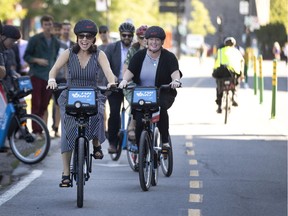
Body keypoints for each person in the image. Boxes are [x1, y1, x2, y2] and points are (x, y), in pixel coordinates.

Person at [46, 19, 116, 187]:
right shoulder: (68, 53)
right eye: (81, 36)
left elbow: (109, 72)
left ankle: (96, 144)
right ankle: (65, 173)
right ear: (77, 37)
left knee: (99, 112)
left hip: (92, 93)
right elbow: (54, 69)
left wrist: (112, 82)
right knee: (67, 132)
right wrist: (52, 80)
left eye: (89, 36)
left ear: (94, 39)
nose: (85, 40)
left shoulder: (100, 54)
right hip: (71, 94)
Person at [118, 25, 182, 151]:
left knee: (161, 109)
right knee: (138, 117)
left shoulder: (169, 57)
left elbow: (175, 73)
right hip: (142, 92)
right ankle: (139, 144)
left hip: (161, 91)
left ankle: (164, 141)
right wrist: (124, 81)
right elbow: (130, 72)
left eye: (157, 40)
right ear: (146, 41)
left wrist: (175, 81)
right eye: (151, 39)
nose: (154, 42)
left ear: (162, 42)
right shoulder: (139, 56)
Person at [24, 15, 60, 139]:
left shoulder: (55, 41)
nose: (48, 26)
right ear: (42, 25)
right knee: (36, 104)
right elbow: (26, 56)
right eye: (45, 24)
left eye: (50, 24)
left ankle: (41, 129)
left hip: (49, 77)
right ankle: (36, 131)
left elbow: (56, 58)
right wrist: (37, 60)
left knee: (45, 105)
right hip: (37, 75)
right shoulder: (35, 39)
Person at [104, 22, 135, 153]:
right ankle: (112, 143)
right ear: (120, 35)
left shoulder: (136, 48)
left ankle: (132, 133)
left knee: (137, 109)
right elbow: (105, 66)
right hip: (116, 85)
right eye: (124, 35)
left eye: (129, 35)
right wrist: (112, 78)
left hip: (131, 85)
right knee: (114, 113)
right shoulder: (112, 48)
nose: (127, 37)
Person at [123, 24, 148, 141]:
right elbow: (126, 68)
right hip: (133, 84)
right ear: (137, 39)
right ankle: (132, 126)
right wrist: (125, 81)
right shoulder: (133, 50)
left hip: (150, 86)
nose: (144, 40)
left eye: (146, 37)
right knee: (136, 99)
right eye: (141, 37)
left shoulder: (155, 49)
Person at [212, 37, 244, 113]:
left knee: (219, 84)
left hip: (221, 71)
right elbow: (242, 61)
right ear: (234, 44)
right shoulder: (237, 51)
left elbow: (216, 61)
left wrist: (214, 69)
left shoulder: (220, 51)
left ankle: (219, 106)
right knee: (236, 81)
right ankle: (234, 95)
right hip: (233, 72)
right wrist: (242, 73)